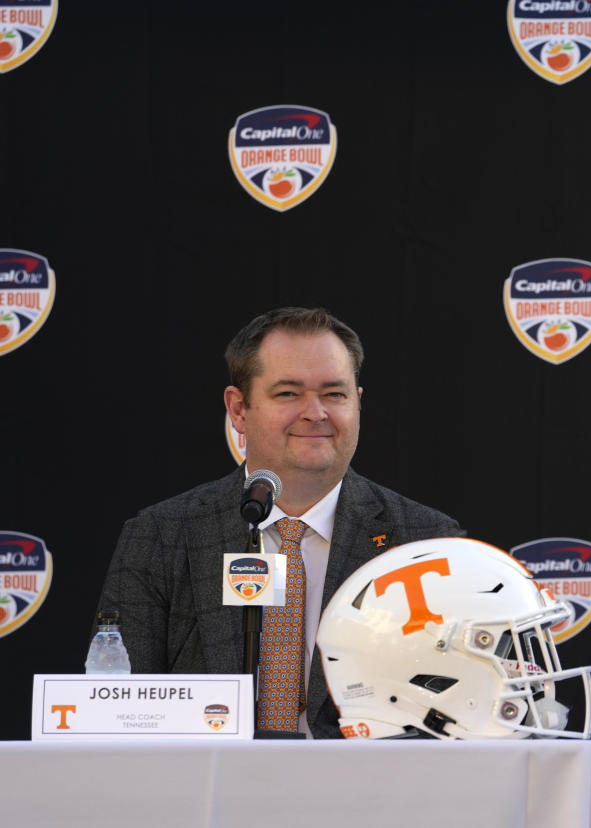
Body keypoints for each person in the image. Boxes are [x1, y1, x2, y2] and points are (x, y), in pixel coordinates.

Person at [96, 307, 463, 738]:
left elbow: (453, 717)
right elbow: (116, 711)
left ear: (358, 403)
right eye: (288, 394)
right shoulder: (160, 536)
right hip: (208, 793)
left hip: (366, 795)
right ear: (238, 409)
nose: (315, 413)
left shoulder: (427, 542)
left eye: (334, 394)